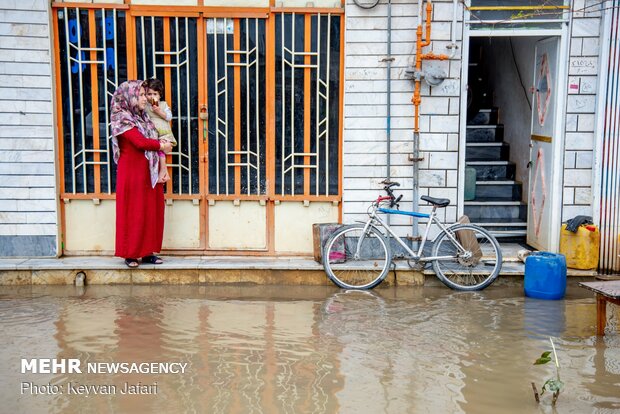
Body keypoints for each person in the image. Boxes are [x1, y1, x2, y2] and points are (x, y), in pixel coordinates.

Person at [110, 80, 173, 268]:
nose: (145, 99)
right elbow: (139, 142)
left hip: (149, 172)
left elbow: (158, 131)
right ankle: (130, 254)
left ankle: (147, 252)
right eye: (141, 95)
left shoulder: (143, 117)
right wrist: (162, 145)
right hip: (132, 174)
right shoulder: (122, 118)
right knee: (134, 212)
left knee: (150, 211)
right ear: (129, 97)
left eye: (146, 94)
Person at [144, 78, 176, 184]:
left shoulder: (163, 104)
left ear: (160, 95)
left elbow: (169, 117)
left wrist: (159, 111)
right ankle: (161, 172)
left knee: (161, 149)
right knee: (155, 149)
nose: (152, 97)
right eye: (149, 94)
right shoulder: (144, 106)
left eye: (155, 94)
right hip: (152, 133)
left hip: (163, 132)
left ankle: (163, 171)